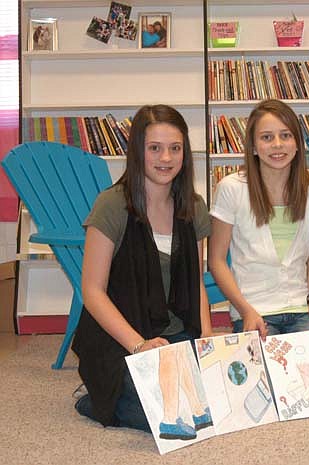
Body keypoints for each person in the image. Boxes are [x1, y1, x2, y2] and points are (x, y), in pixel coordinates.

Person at [72, 104, 213, 434]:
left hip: (176, 332)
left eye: (175, 148)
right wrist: (139, 345)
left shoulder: (193, 207)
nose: (166, 158)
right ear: (138, 151)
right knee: (166, 416)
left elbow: (196, 282)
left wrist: (207, 338)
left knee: (208, 406)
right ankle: (95, 397)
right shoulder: (112, 205)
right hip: (120, 339)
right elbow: (92, 291)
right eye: (155, 148)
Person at [208, 99, 309, 337]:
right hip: (252, 309)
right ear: (254, 146)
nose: (277, 145)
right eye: (267, 137)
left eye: (286, 135)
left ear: (297, 143)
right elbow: (216, 261)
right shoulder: (231, 188)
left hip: (302, 306)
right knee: (264, 374)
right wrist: (245, 311)